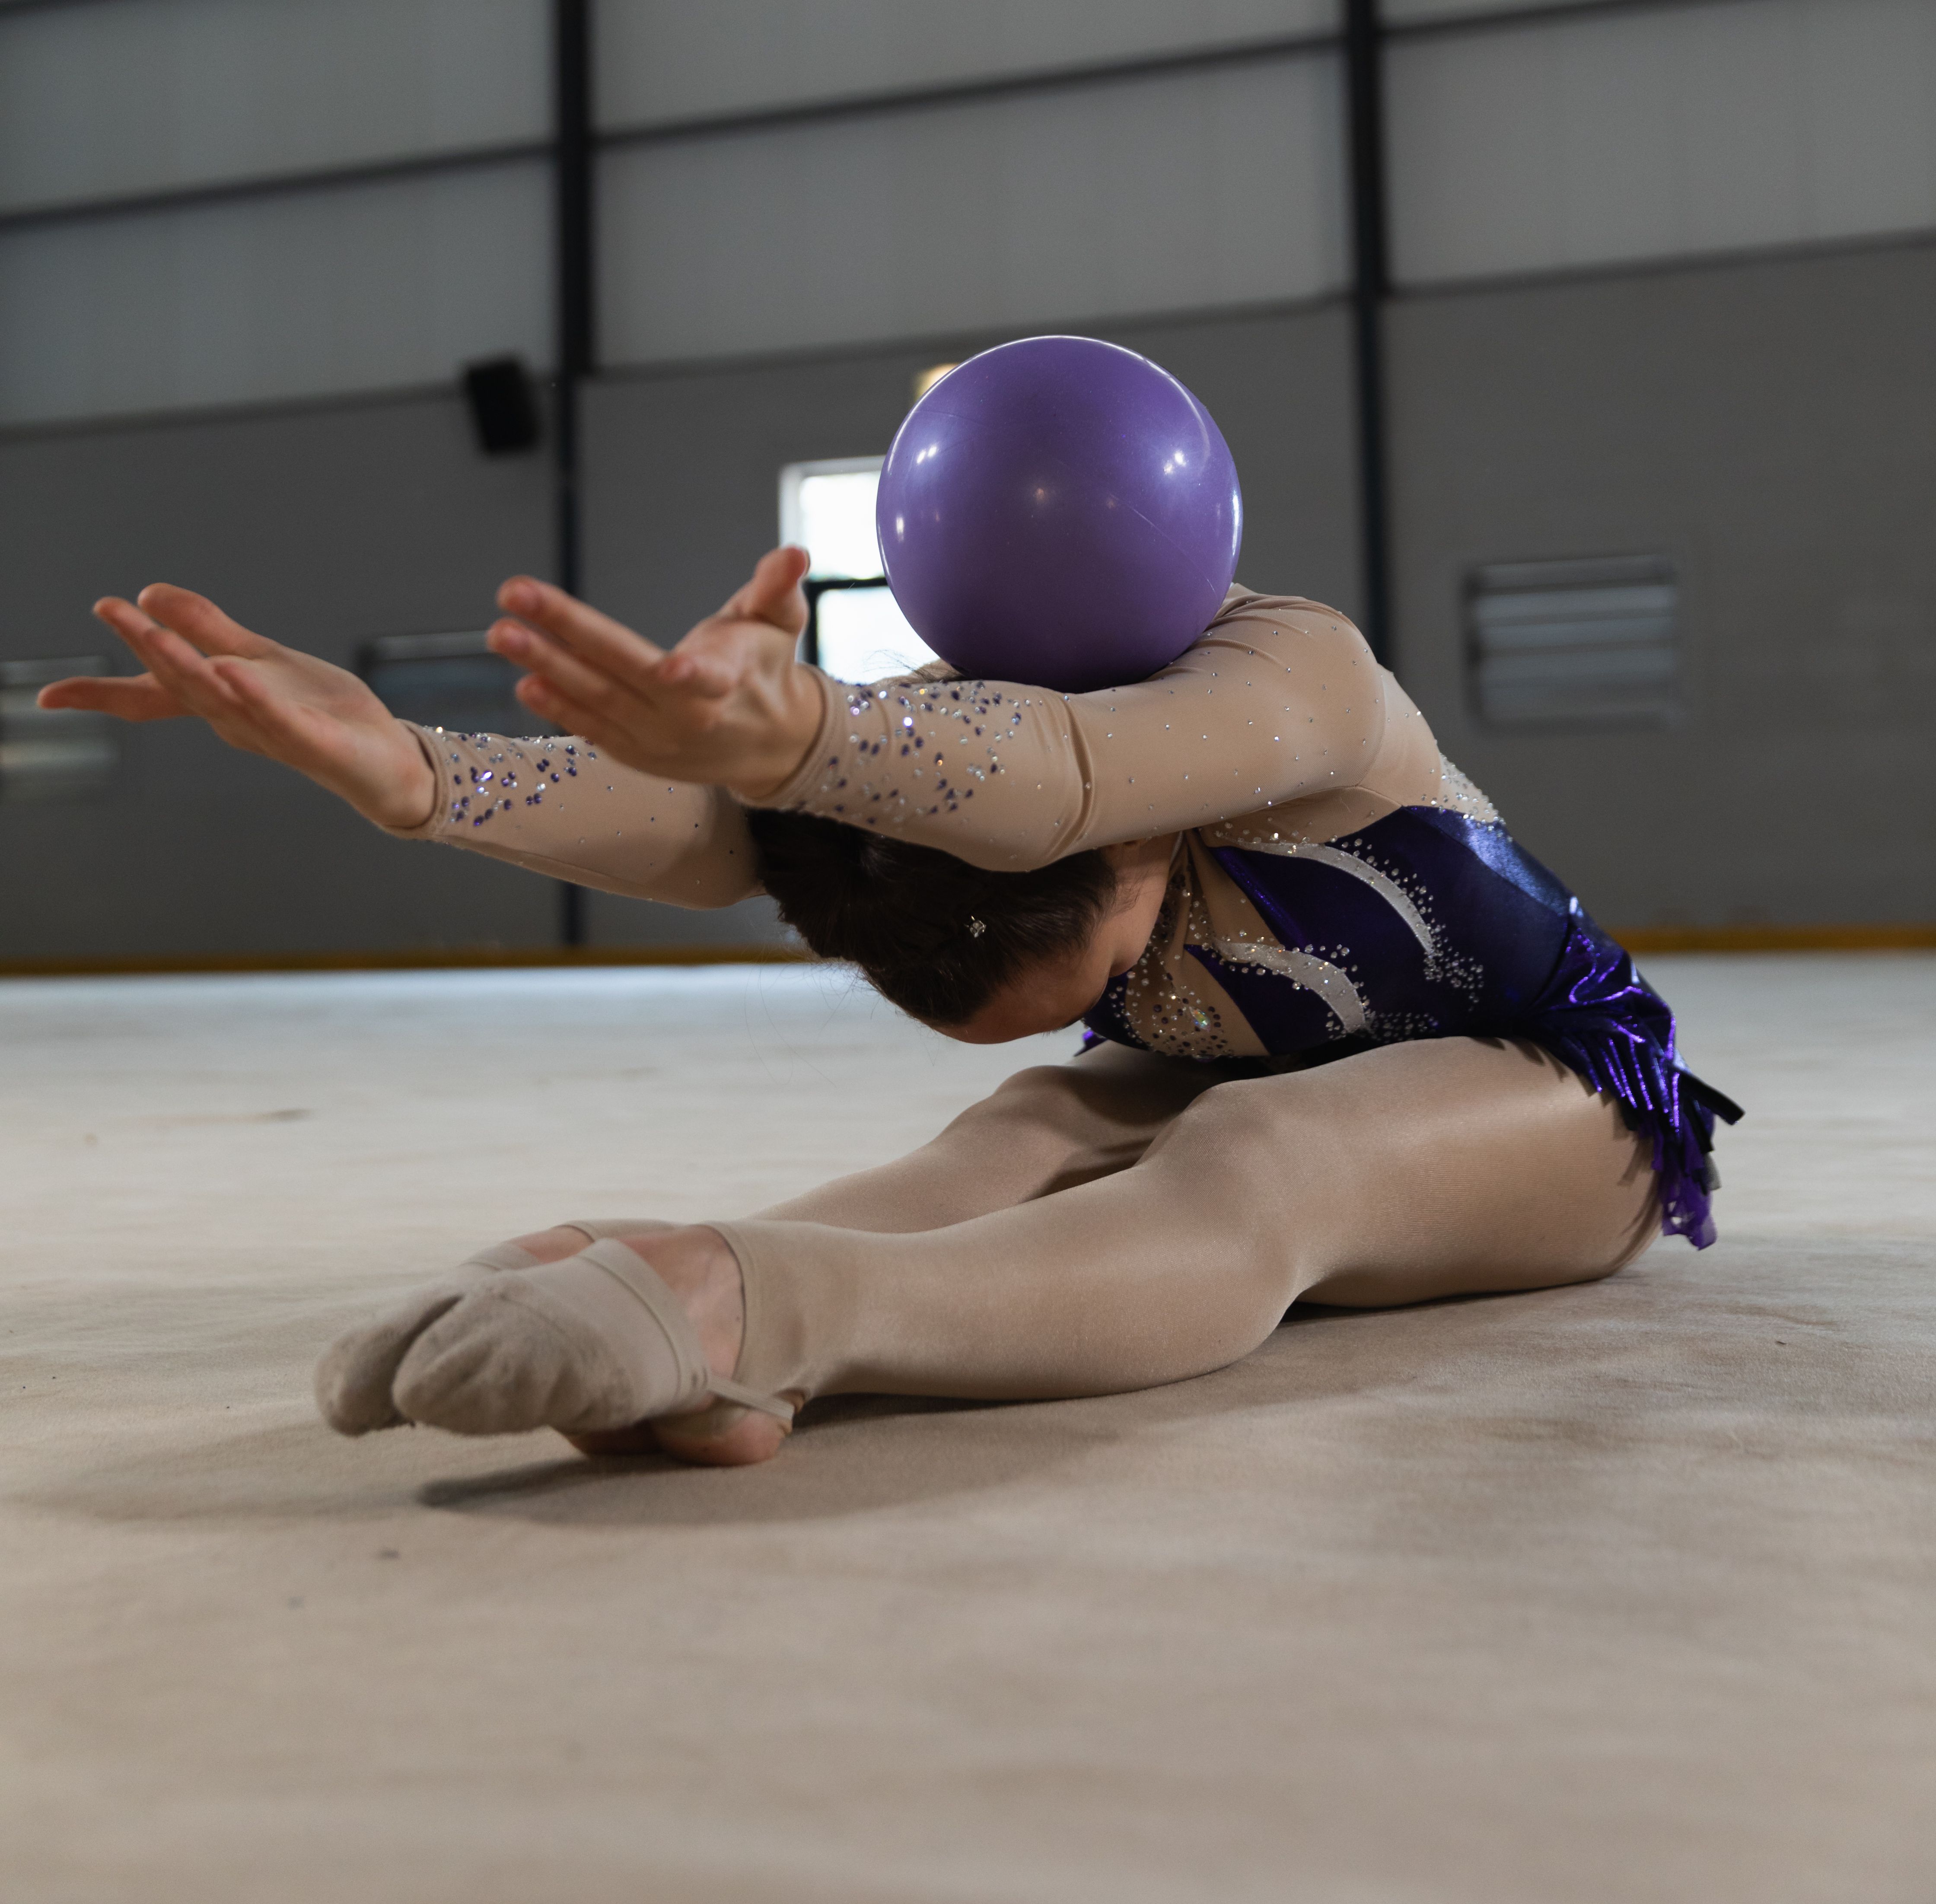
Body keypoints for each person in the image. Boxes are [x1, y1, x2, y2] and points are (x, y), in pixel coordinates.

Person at [41, 551, 1738, 1471]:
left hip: (1560, 1103)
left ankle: (756, 1307)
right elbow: (722, 828)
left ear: (1126, 847)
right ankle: (690, 1282)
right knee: (1028, 1124)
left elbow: (1066, 770)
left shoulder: (1287, 677)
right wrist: (414, 770)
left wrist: (795, 737)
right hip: (1256, 1075)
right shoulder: (933, 746)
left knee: (1270, 1149)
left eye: (1101, 966)